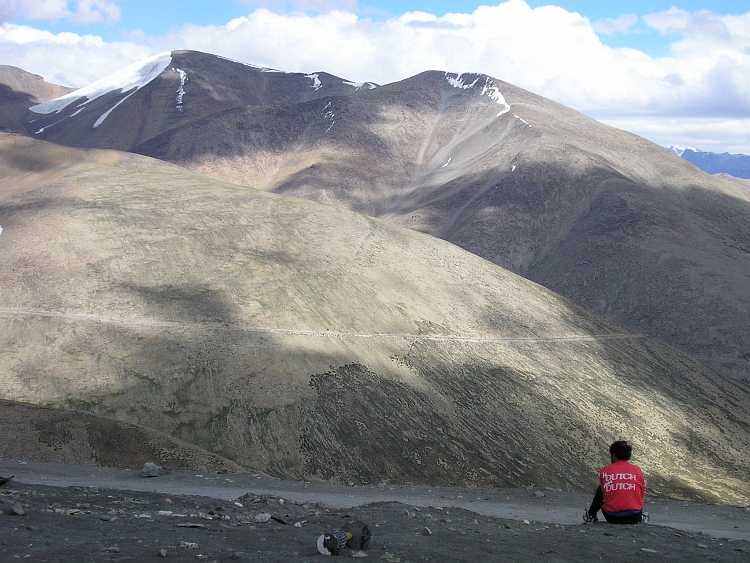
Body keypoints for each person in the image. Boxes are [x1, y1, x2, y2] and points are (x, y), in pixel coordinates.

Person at [584, 440, 647, 524]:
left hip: (612, 517)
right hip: (634, 517)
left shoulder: (605, 471)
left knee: (601, 488)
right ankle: (641, 517)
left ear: (613, 455)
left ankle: (591, 515)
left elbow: (604, 494)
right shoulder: (637, 470)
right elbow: (641, 495)